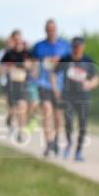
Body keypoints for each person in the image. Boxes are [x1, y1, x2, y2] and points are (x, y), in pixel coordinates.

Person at [31, 19, 71, 157]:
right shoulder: (39, 46)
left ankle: (55, 139)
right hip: (44, 83)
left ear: (56, 29)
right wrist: (33, 72)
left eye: (53, 29)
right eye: (49, 29)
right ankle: (48, 143)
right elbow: (33, 62)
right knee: (47, 110)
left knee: (58, 115)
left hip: (60, 85)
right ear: (45, 30)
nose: (51, 31)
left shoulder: (65, 46)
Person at [58, 37, 99, 161]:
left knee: (83, 123)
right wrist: (56, 88)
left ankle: (78, 151)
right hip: (67, 95)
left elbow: (96, 78)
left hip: (83, 96)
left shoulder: (88, 61)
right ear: (72, 47)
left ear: (83, 47)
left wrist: (90, 84)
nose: (76, 49)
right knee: (68, 120)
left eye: (79, 46)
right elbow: (54, 73)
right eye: (74, 46)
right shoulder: (65, 59)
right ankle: (69, 142)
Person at [0, 31, 33, 140]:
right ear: (12, 40)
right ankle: (9, 120)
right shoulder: (9, 53)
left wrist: (28, 66)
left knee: (22, 106)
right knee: (12, 110)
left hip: (23, 84)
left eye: (19, 38)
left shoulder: (27, 53)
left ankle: (20, 132)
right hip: (11, 84)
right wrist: (7, 69)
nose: (17, 41)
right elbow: (1, 66)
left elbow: (32, 67)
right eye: (15, 39)